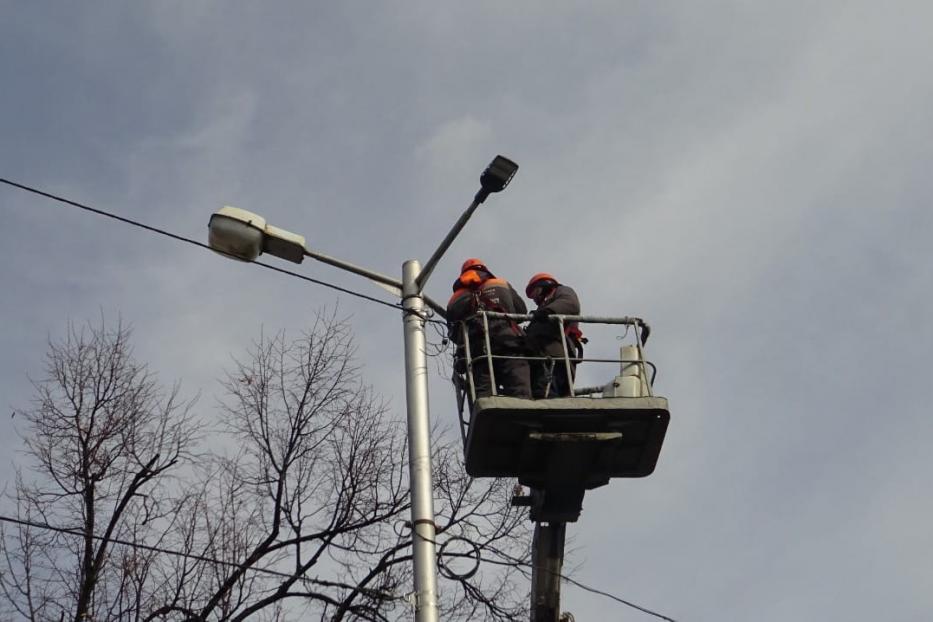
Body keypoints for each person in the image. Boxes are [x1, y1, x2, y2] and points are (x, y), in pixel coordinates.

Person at [447, 259, 531, 399]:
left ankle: (489, 415)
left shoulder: (455, 298)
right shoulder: (500, 283)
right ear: (484, 269)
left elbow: (453, 333)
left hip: (477, 349)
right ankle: (522, 414)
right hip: (508, 341)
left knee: (484, 393)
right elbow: (521, 312)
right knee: (518, 386)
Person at [524, 273, 583, 398]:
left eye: (534, 292)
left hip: (554, 358)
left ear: (543, 285)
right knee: (541, 393)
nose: (534, 298)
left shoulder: (562, 291)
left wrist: (548, 311)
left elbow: (570, 303)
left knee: (547, 395)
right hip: (542, 359)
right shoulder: (542, 310)